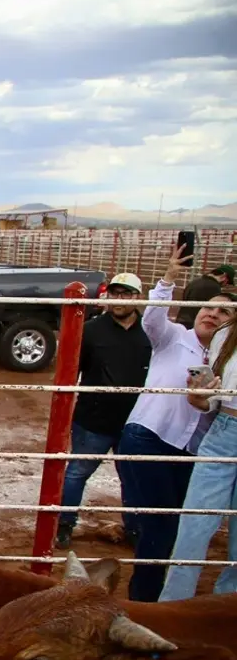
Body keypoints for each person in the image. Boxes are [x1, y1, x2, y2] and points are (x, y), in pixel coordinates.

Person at [117, 245, 232, 600]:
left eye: (224, 313)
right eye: (209, 307)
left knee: (171, 525)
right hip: (149, 436)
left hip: (189, 450)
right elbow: (152, 318)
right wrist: (168, 278)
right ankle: (146, 602)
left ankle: (154, 596)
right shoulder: (173, 337)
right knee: (161, 526)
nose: (212, 314)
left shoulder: (226, 359)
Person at [55, 272, 151, 550]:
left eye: (127, 294)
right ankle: (64, 524)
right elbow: (71, 371)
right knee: (77, 473)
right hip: (93, 419)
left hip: (135, 420)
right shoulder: (91, 330)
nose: (119, 300)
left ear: (138, 297)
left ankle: (134, 528)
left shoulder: (152, 332)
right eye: (115, 293)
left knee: (132, 477)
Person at [158, 273, 237, 601]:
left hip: (222, 434)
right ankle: (173, 611)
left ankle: (228, 612)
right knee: (192, 528)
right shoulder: (225, 334)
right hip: (224, 428)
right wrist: (198, 397)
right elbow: (209, 401)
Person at [175, 264, 236, 328]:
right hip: (195, 325)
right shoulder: (214, 287)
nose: (225, 285)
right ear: (224, 276)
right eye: (227, 282)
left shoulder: (195, 282)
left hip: (181, 320)